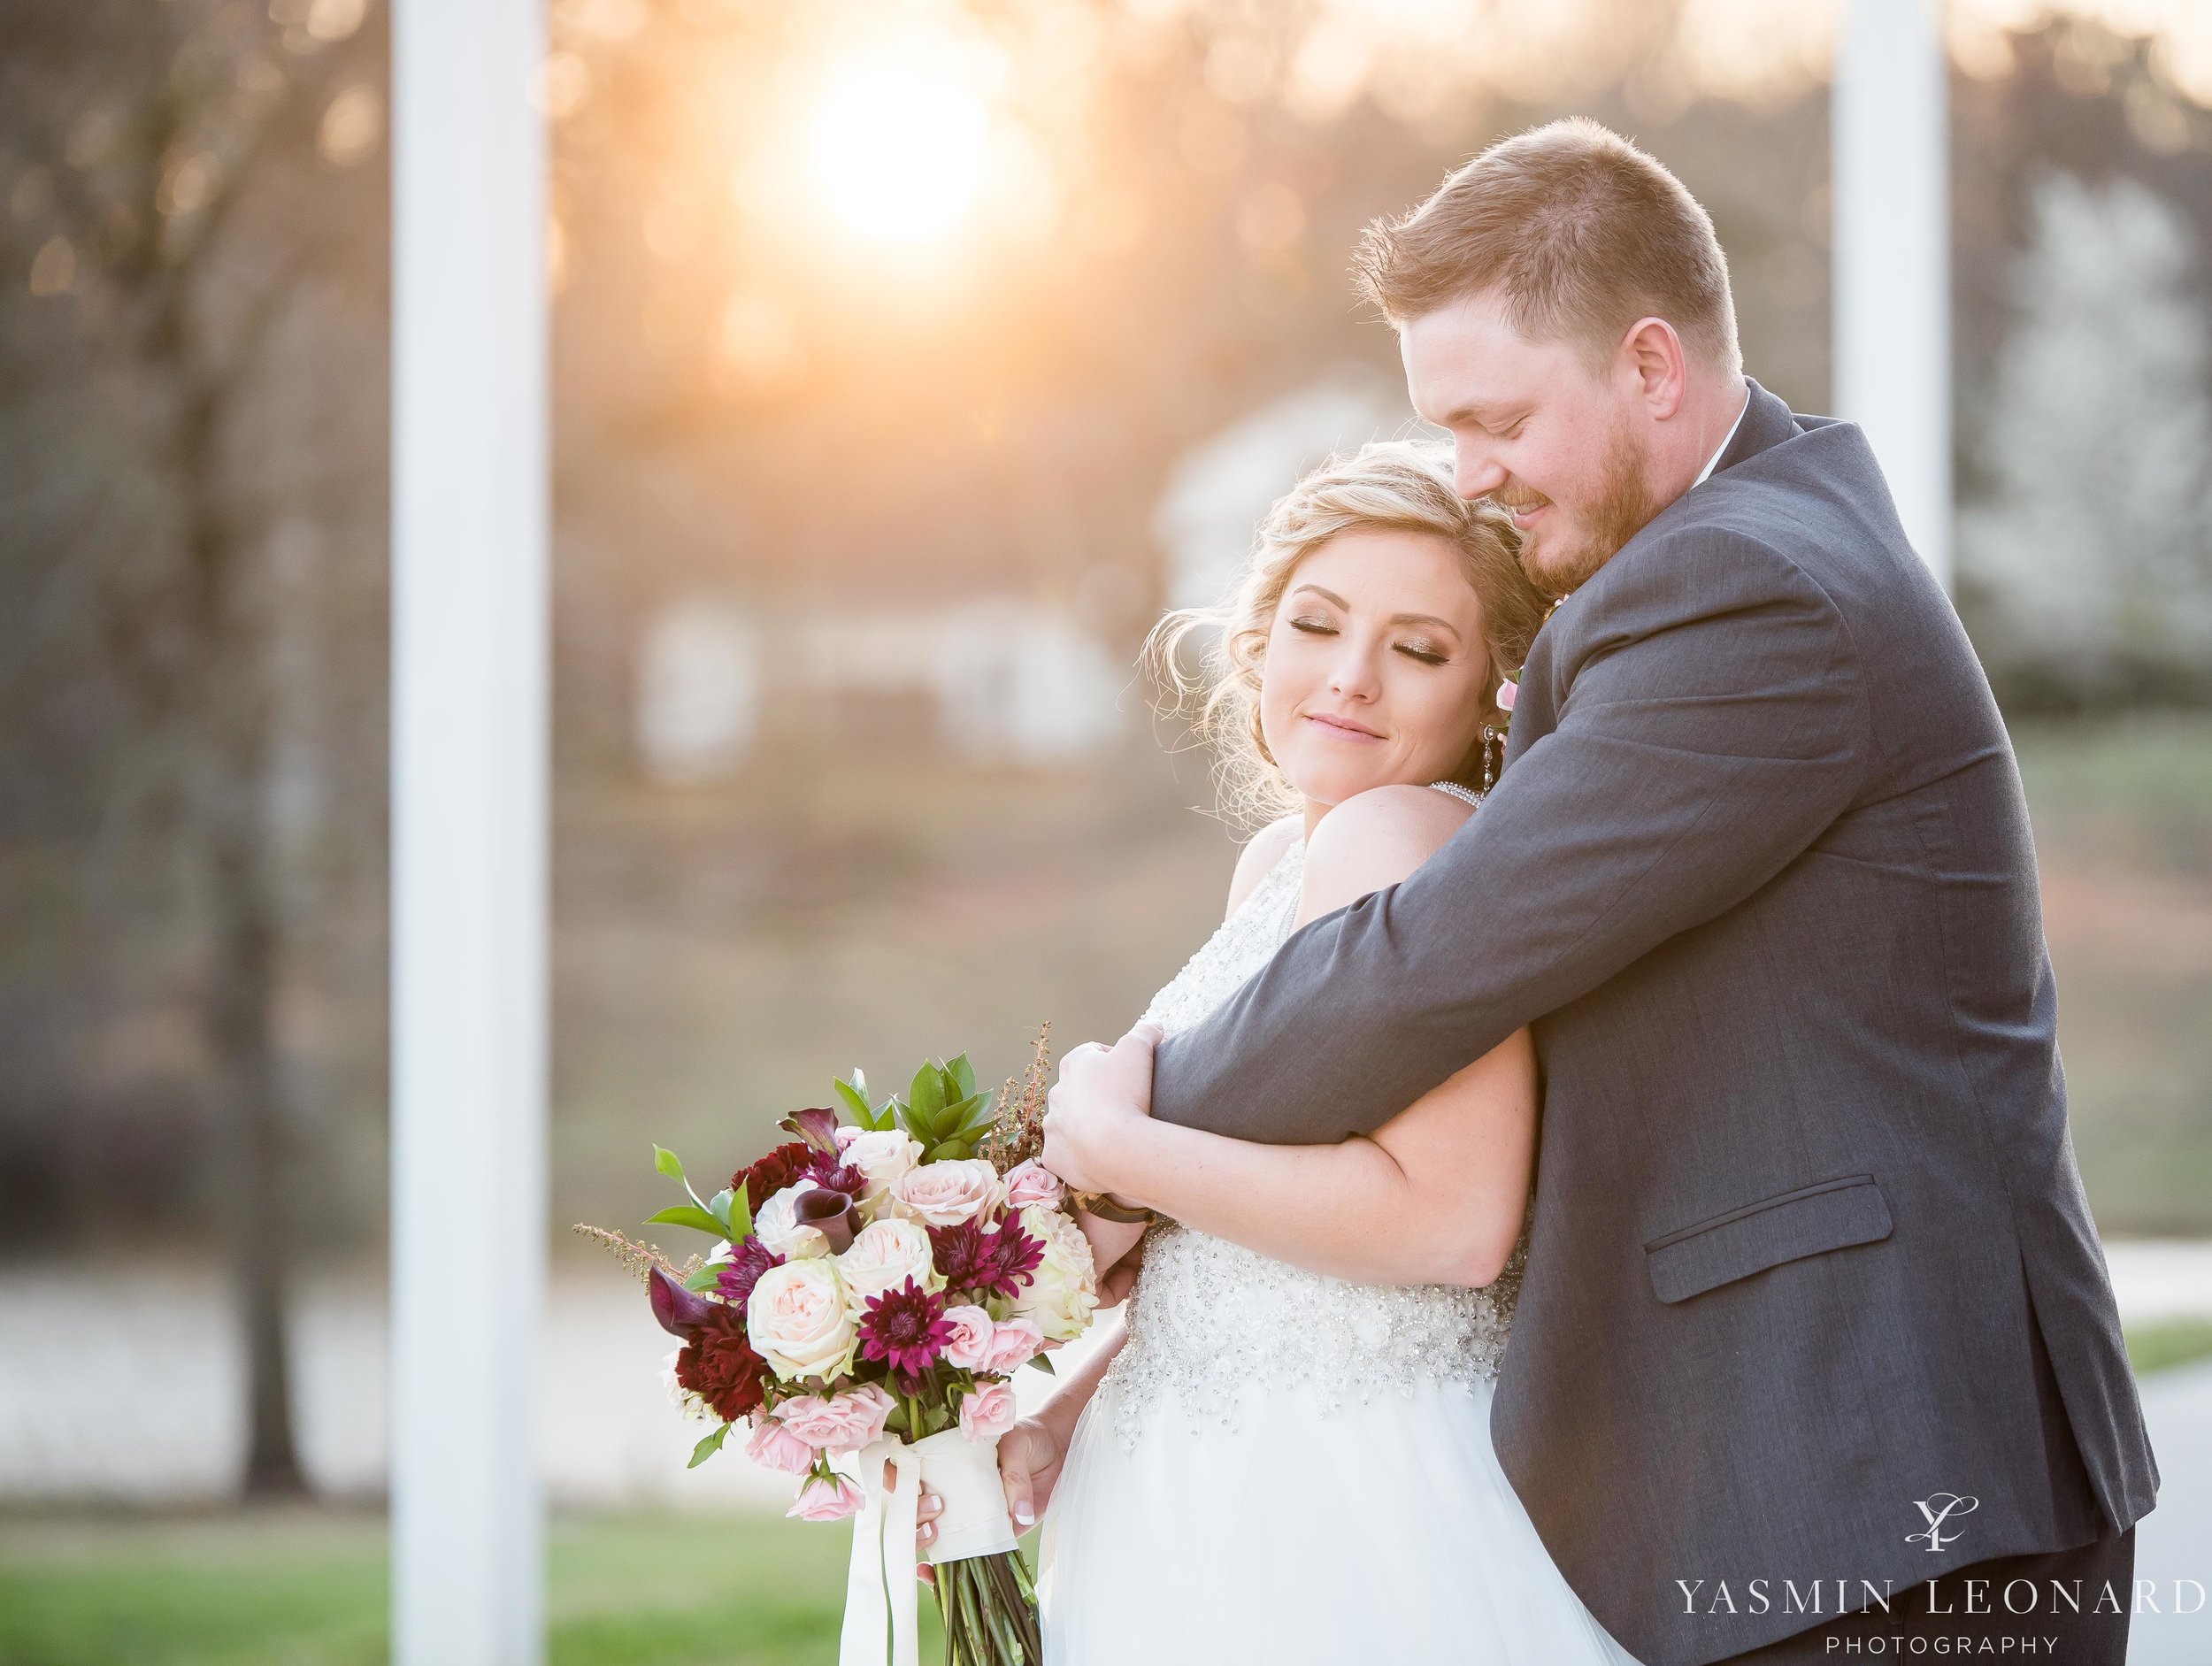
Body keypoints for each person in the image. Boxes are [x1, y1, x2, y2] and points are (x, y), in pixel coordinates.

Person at [1032, 118, 2157, 1665]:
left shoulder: (1749, 589)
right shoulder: (1731, 555)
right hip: (1813, 1474)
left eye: (1494, 419)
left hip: (1879, 1482)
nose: (1468, 476)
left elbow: (1431, 962)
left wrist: (1107, 1153)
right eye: (1446, 427)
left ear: (1648, 366)